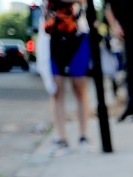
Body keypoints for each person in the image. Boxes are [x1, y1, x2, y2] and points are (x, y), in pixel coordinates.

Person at [38, 0, 93, 154]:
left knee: (79, 86)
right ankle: (61, 139)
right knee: (56, 89)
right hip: (52, 35)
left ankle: (83, 136)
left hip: (77, 34)